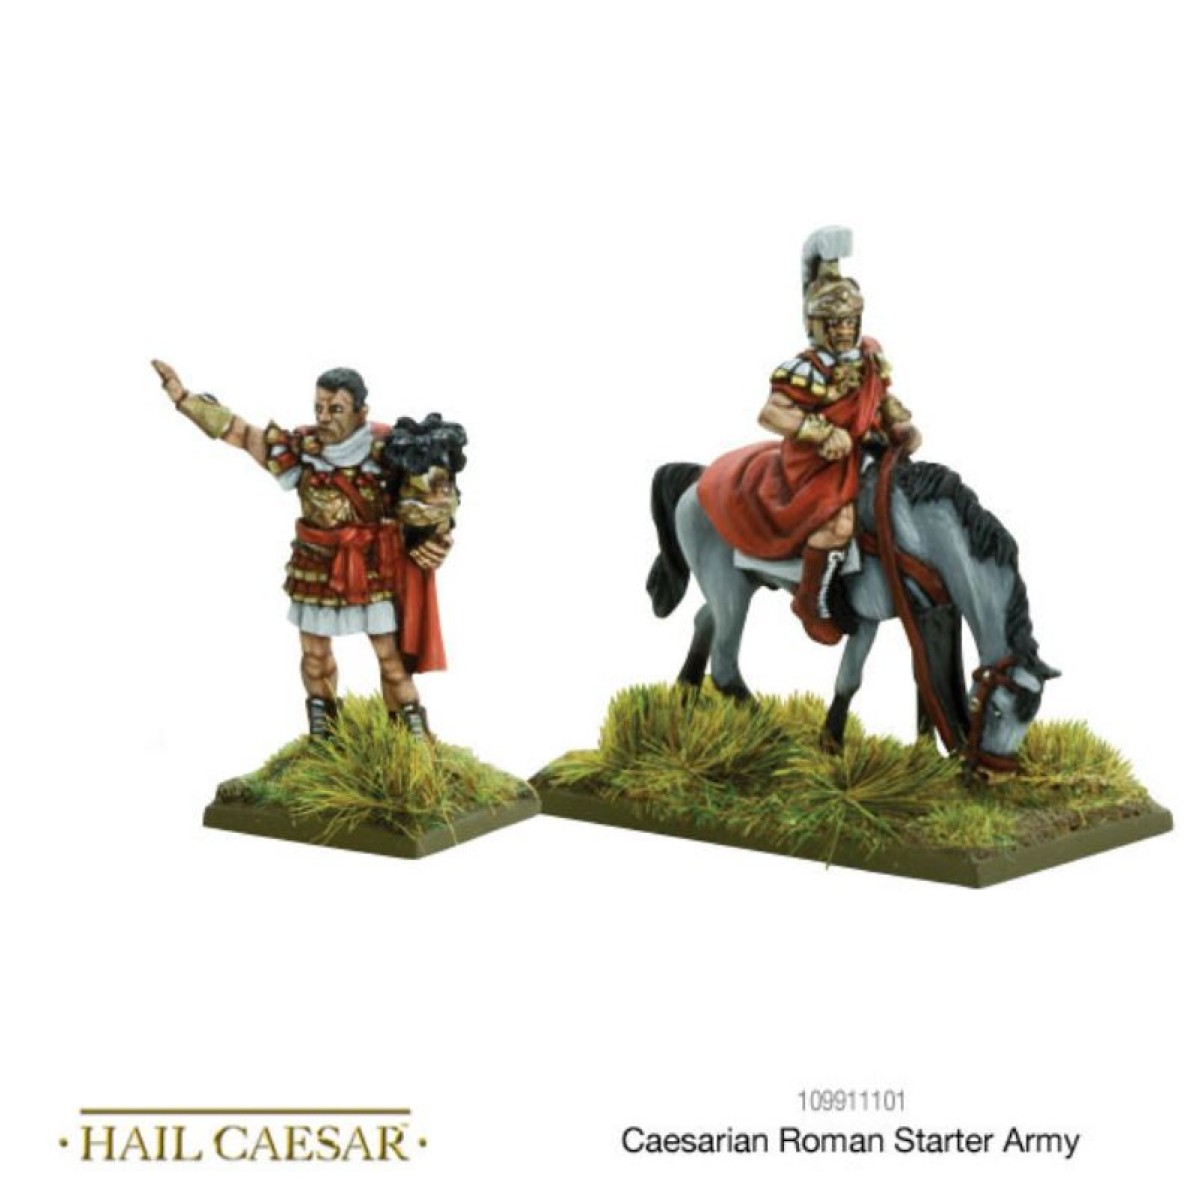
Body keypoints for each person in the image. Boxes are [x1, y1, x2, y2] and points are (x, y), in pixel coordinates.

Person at [151, 360, 462, 737]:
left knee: (391, 660)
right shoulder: (301, 448)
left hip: (371, 568)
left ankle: (410, 736)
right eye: (319, 408)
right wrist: (184, 399)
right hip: (316, 565)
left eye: (336, 409)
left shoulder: (387, 448)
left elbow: (434, 494)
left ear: (361, 411)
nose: (324, 417)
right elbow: (242, 434)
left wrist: (437, 535)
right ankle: (324, 732)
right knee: (315, 658)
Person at [696, 227, 921, 645]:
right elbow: (772, 413)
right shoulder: (805, 368)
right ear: (817, 325)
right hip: (816, 465)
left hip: (865, 452)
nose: (844, 331)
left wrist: (898, 423)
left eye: (849, 322)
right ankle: (811, 601)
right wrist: (820, 432)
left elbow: (881, 397)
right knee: (839, 522)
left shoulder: (870, 355)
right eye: (834, 324)